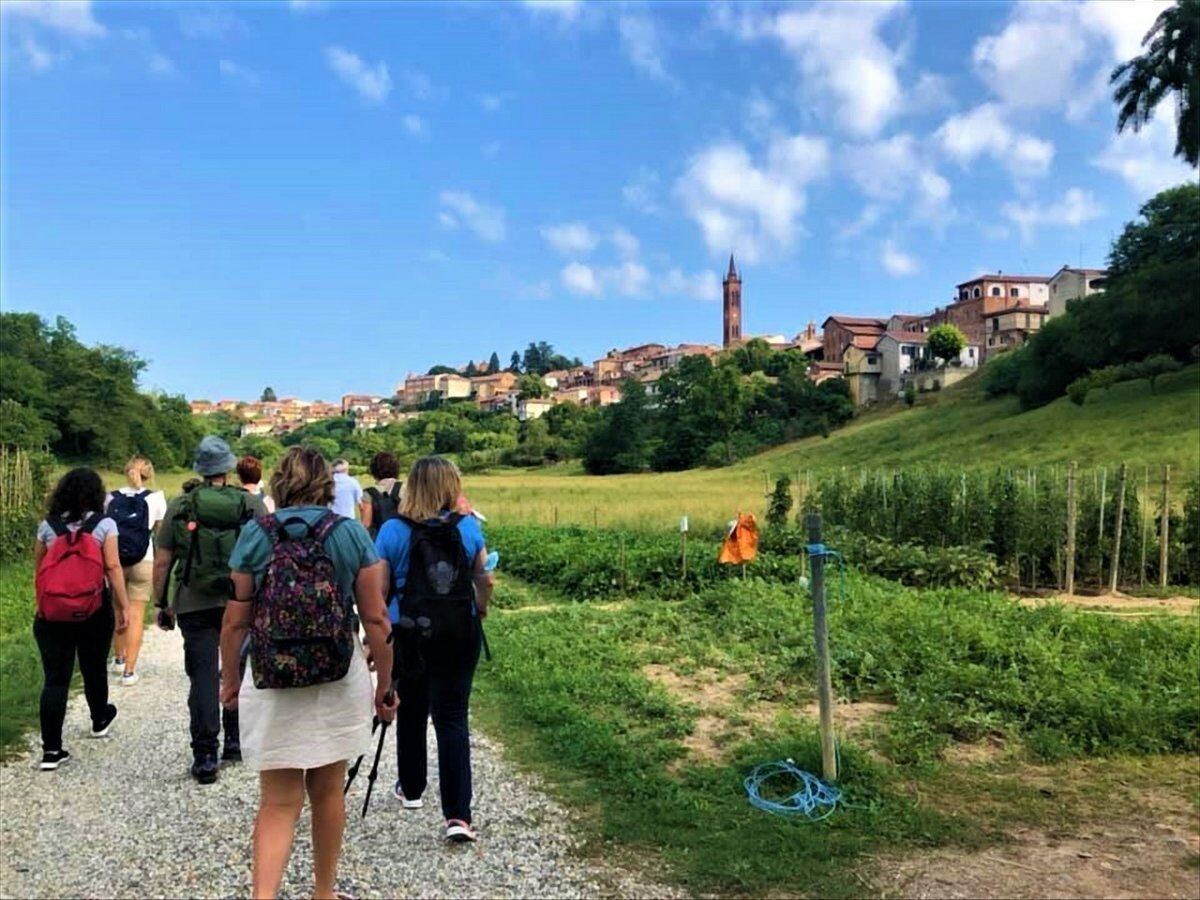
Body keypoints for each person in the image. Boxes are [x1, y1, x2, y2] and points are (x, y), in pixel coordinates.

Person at [221, 446, 395, 900]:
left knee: (278, 802)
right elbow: (375, 619)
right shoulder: (350, 534)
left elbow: (236, 619)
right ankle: (323, 892)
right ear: (326, 484)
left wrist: (228, 678)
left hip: (272, 676)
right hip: (335, 674)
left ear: (280, 481)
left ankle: (264, 896)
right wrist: (385, 685)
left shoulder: (255, 534)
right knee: (328, 790)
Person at [375, 455, 494, 842]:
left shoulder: (393, 530)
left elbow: (379, 590)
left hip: (410, 632)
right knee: (453, 716)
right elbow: (485, 579)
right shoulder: (469, 527)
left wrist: (374, 635)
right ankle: (458, 816)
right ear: (450, 486)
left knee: (411, 705)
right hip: (459, 631)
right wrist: (480, 608)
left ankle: (411, 789)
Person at [154, 436, 266, 784]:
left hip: (194, 600)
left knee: (202, 675)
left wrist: (162, 603)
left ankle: (205, 755)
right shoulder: (252, 505)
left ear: (199, 469)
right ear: (229, 467)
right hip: (241, 600)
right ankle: (234, 740)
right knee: (238, 668)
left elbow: (162, 561)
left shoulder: (181, 505)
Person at [33, 468, 129, 771]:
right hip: (93, 608)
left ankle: (51, 749)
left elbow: (39, 569)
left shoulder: (47, 526)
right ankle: (99, 719)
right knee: (93, 667)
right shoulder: (104, 524)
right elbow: (112, 567)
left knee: (56, 679)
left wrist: (44, 604)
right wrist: (122, 605)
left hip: (53, 613)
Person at [105, 457, 167, 686]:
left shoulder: (109, 497)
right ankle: (129, 672)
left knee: (118, 609)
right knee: (137, 614)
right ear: (148, 474)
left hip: (115, 560)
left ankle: (118, 658)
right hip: (145, 558)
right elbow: (161, 535)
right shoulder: (156, 498)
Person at [359, 451, 402, 538]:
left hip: (379, 540)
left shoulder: (368, 494)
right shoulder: (404, 489)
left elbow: (366, 524)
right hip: (403, 539)